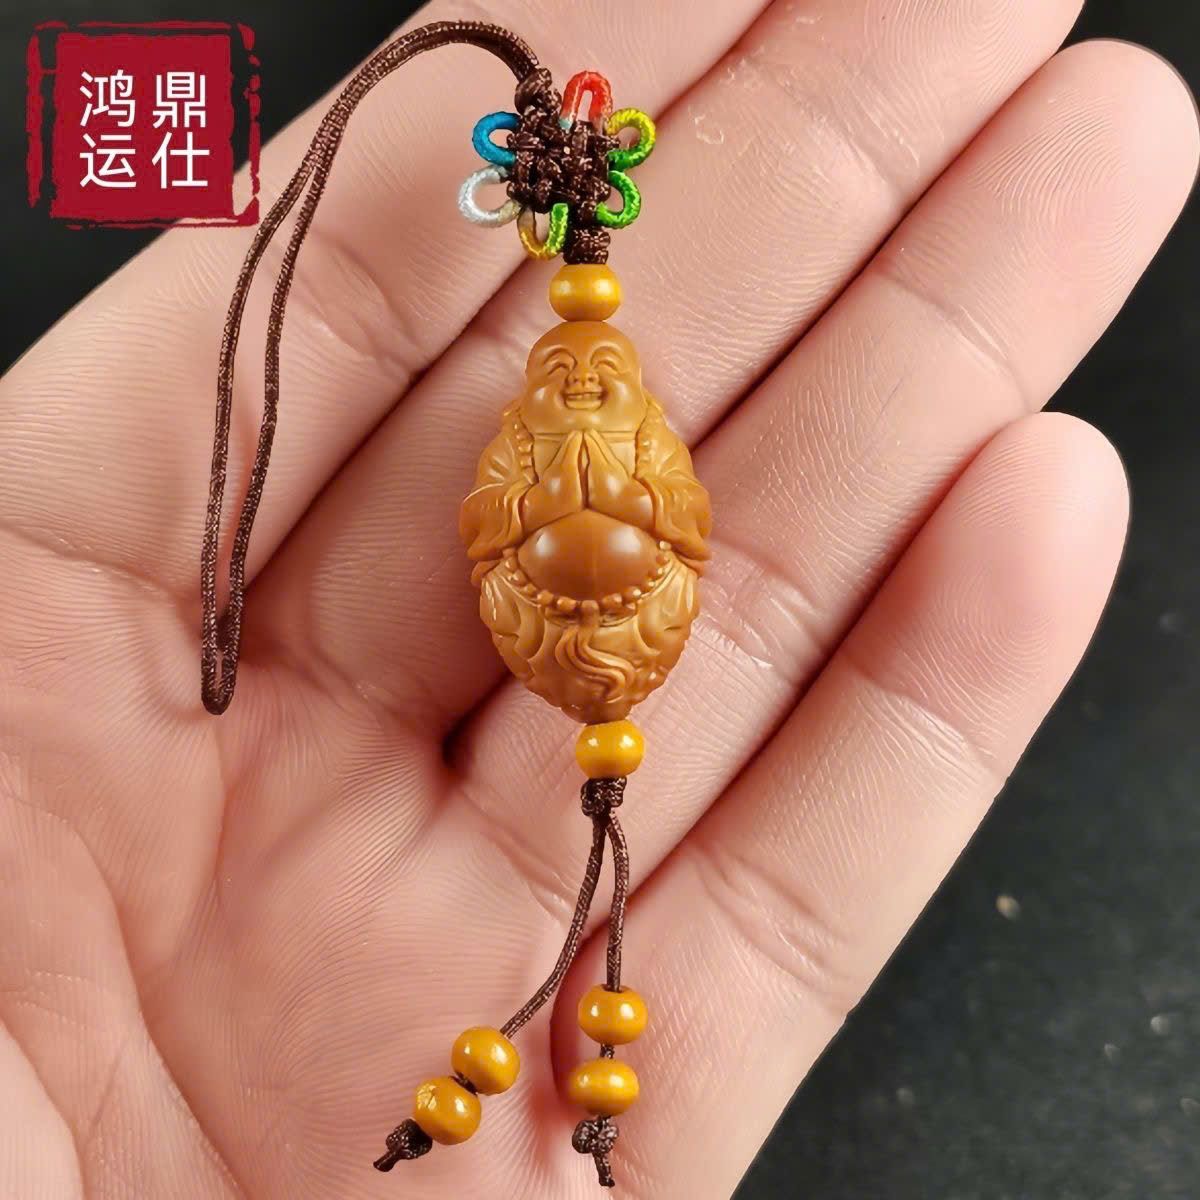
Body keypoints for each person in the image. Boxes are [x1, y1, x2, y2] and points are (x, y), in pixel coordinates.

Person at [0, 2, 1194, 1196]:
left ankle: (538, 1109)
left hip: (616, 618)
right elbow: (513, 523)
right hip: (560, 614)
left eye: (596, 386)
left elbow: (670, 516)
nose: (580, 388)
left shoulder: (615, 442)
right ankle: (539, 1108)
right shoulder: (530, 448)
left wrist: (602, 504)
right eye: (569, 384)